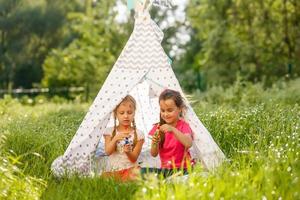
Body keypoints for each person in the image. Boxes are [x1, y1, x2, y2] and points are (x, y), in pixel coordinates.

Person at [149, 89, 194, 177]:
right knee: (142, 172)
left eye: (169, 110)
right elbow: (154, 154)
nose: (165, 114)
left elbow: (188, 143)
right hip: (166, 170)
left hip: (184, 169)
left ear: (180, 109)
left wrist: (172, 129)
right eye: (163, 110)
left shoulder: (183, 126)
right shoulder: (158, 127)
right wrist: (154, 143)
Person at [102, 95, 144, 181]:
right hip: (113, 171)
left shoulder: (139, 134)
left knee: (138, 172)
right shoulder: (109, 132)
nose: (126, 116)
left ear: (134, 113)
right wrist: (115, 138)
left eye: (129, 112)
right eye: (121, 113)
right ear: (115, 114)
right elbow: (108, 152)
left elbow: (134, 158)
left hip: (130, 169)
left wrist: (128, 152)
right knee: (103, 177)